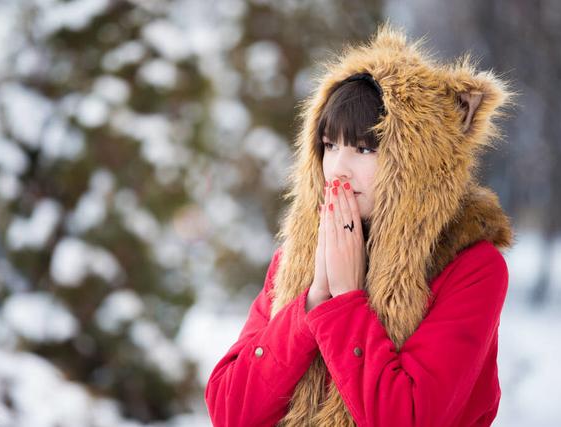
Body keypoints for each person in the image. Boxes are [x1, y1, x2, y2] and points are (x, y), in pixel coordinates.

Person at [205, 22, 516, 427]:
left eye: (366, 148)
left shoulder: (472, 268)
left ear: (417, 163)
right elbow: (230, 413)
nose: (338, 168)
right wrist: (312, 302)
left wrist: (346, 303)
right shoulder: (295, 260)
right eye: (330, 145)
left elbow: (407, 418)